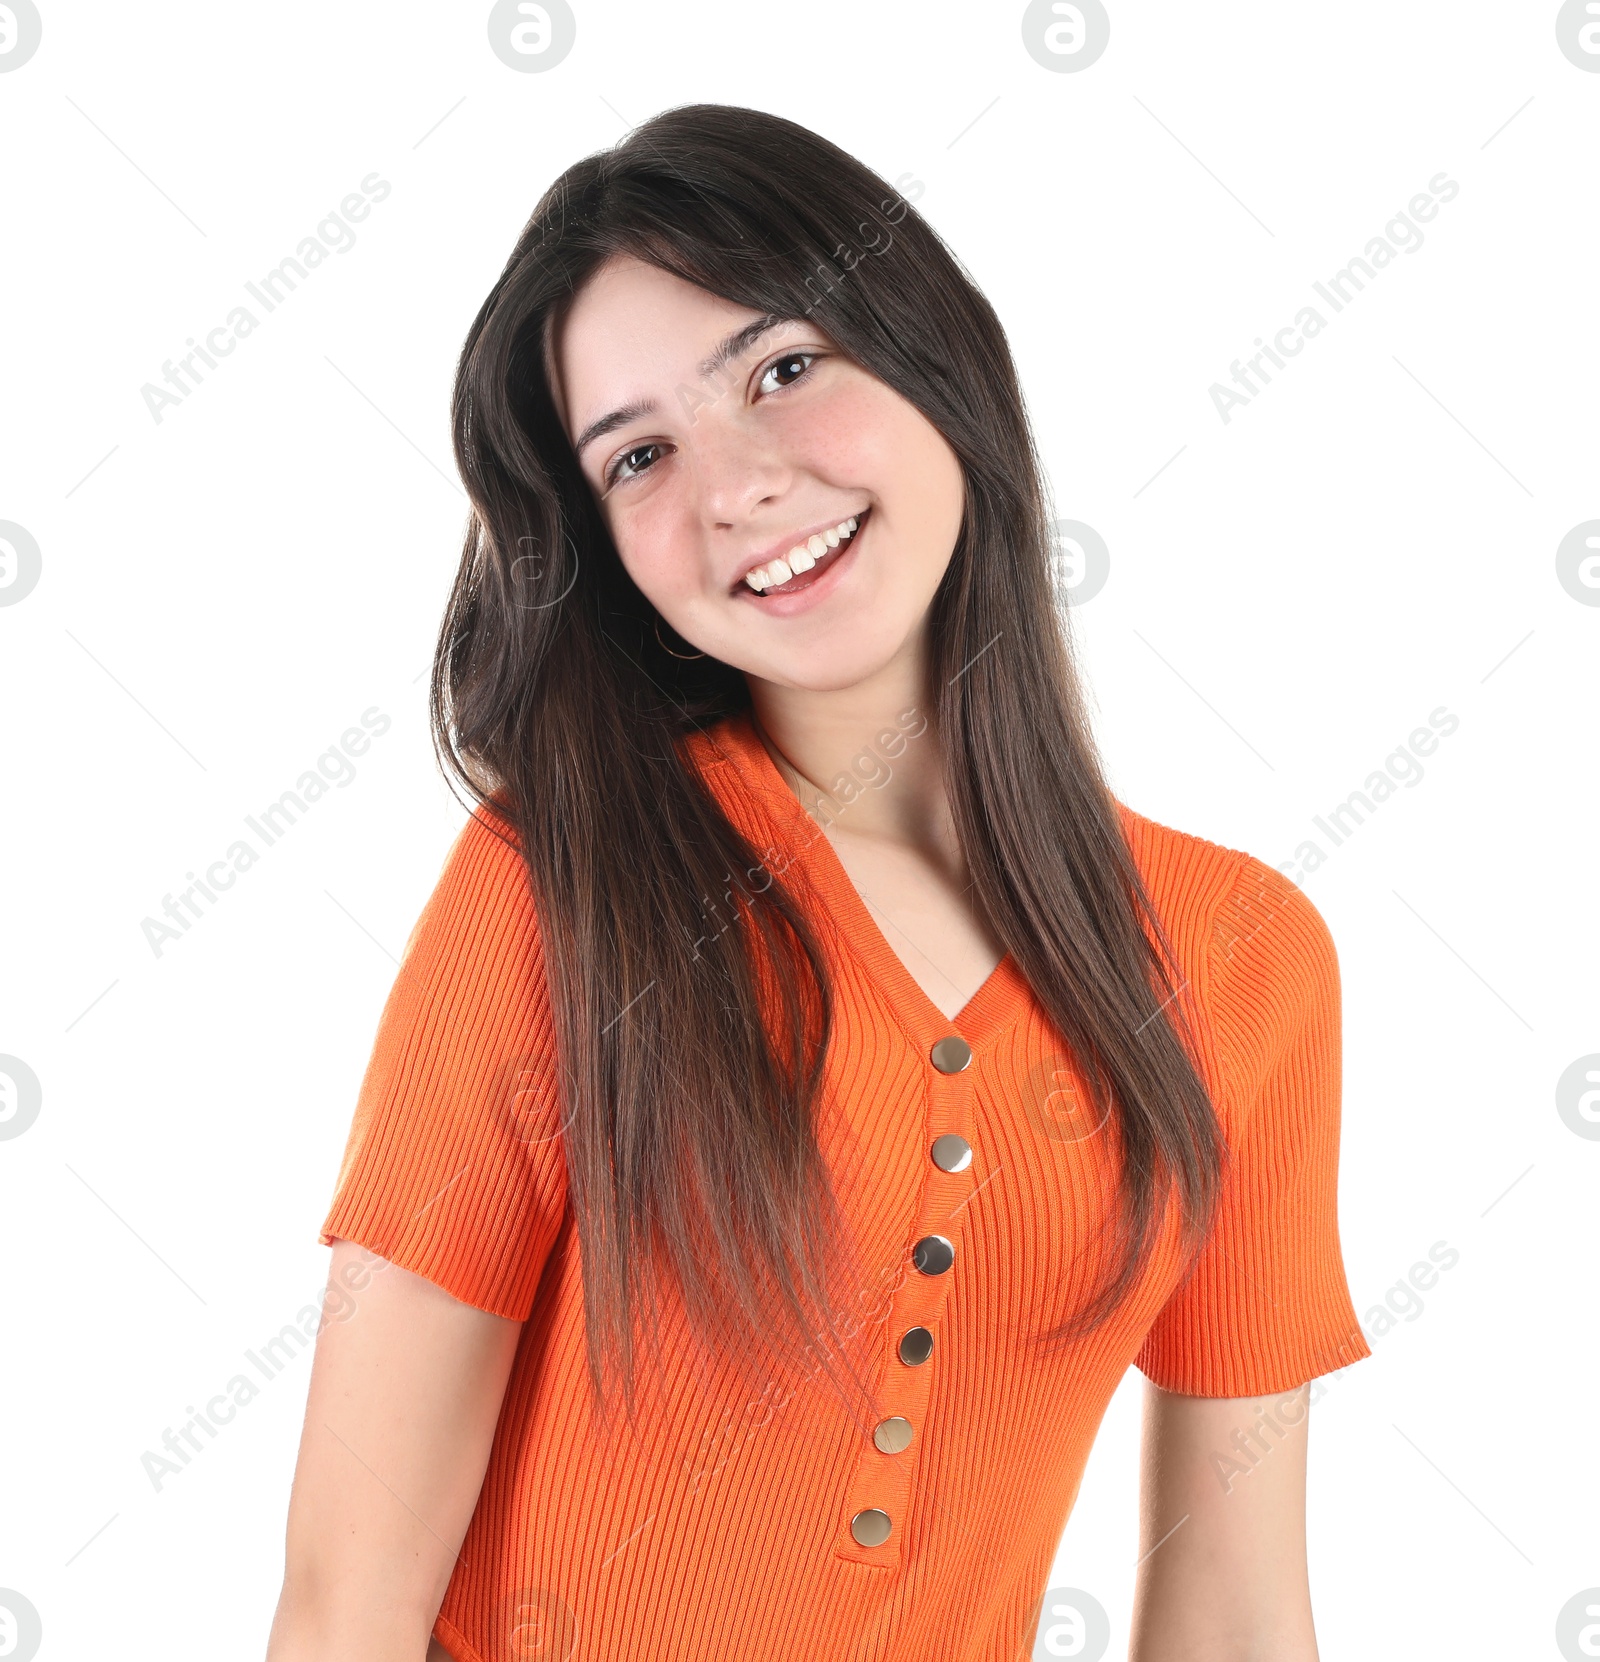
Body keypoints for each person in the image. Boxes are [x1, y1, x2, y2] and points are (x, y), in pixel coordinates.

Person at [264, 103, 1371, 1662]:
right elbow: (345, 1602)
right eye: (639, 455)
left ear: (935, 355)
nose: (735, 487)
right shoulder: (555, 888)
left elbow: (1240, 1612)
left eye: (783, 369)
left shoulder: (1245, 956)